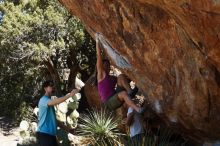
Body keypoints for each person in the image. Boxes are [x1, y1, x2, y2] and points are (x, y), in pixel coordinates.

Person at [96, 34, 144, 113]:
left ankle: (131, 92)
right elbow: (98, 56)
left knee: (121, 76)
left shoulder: (111, 77)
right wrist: (97, 41)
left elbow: (125, 80)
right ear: (102, 67)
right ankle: (138, 109)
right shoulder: (100, 75)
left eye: (108, 65)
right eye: (105, 65)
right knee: (123, 94)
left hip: (116, 95)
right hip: (108, 103)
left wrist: (135, 75)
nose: (107, 67)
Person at [36, 80, 78, 146]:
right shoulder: (43, 100)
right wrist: (70, 95)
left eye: (53, 85)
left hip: (50, 135)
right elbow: (57, 101)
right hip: (44, 134)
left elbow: (55, 121)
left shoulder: (49, 102)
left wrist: (68, 129)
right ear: (45, 88)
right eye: (50, 85)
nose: (53, 87)